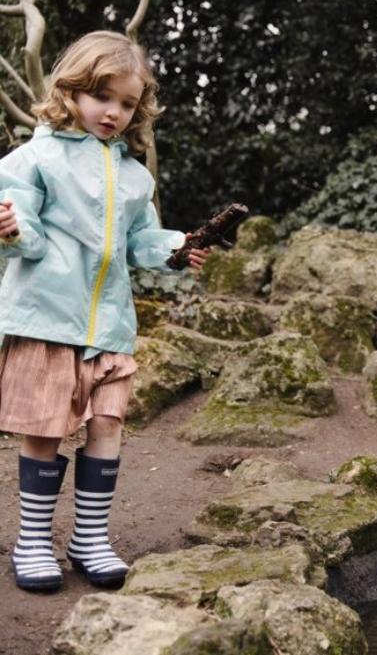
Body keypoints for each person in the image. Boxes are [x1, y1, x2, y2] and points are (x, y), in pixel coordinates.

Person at [0, 31, 210, 592]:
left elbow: (139, 240)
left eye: (127, 102)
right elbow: (25, 233)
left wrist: (175, 248)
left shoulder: (135, 176)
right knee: (43, 433)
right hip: (46, 320)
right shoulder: (33, 158)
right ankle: (33, 542)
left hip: (110, 327)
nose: (114, 112)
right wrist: (13, 230)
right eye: (102, 96)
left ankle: (89, 537)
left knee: (108, 427)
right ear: (71, 90)